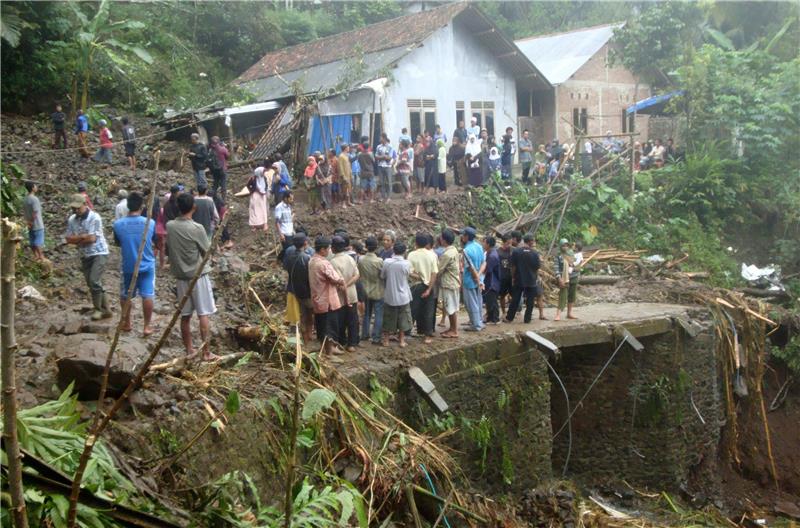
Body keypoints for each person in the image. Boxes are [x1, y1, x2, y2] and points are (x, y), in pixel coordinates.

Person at [166, 193, 218, 361]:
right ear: (193, 207)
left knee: (185, 315)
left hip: (181, 277)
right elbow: (207, 250)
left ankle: (189, 350)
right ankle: (206, 352)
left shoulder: (170, 226)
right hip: (198, 276)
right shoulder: (197, 228)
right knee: (203, 314)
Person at [112, 191, 156, 336]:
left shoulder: (118, 225)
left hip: (129, 265)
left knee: (125, 296)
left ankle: (127, 323)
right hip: (148, 264)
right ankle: (147, 326)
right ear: (142, 206)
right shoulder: (150, 223)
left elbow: (118, 242)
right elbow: (153, 240)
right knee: (148, 295)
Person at [65, 193, 112, 320]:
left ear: (85, 205)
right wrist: (82, 237)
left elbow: (92, 238)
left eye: (78, 208)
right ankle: (106, 310)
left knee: (94, 280)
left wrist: (78, 239)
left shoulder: (94, 217)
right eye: (73, 208)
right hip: (84, 254)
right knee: (92, 283)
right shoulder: (72, 219)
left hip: (99, 252)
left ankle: (98, 309)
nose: (75, 211)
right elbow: (68, 239)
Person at [309, 236, 345, 355]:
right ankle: (329, 353)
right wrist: (341, 281)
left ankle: (326, 348)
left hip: (317, 298)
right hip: (327, 300)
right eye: (328, 248)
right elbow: (336, 278)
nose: (329, 250)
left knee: (321, 326)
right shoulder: (324, 263)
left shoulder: (312, 260)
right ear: (323, 250)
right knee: (329, 327)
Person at [330, 236, 360, 352]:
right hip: (352, 294)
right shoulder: (350, 258)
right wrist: (348, 285)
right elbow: (357, 275)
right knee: (352, 319)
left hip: (340, 296)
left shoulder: (332, 262)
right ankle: (352, 344)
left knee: (341, 320)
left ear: (333, 248)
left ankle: (342, 341)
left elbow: (337, 280)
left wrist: (344, 286)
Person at [408, 232, 438, 344]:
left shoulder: (411, 255)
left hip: (416, 285)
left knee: (413, 309)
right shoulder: (432, 255)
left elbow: (409, 272)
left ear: (415, 243)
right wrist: (429, 289)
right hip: (429, 285)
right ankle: (427, 336)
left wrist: (420, 277)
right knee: (429, 310)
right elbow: (434, 273)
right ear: (427, 243)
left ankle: (406, 332)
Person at [381, 242, 412, 348]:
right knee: (403, 318)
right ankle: (401, 340)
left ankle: (386, 340)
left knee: (388, 317)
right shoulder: (406, 263)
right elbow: (408, 275)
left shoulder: (386, 262)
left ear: (393, 250)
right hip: (403, 296)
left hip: (390, 294)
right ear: (404, 252)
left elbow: (383, 276)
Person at [504, 233, 541, 324]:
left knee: (515, 299)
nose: (534, 242)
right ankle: (527, 319)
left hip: (519, 279)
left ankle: (509, 318)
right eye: (533, 240)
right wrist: (535, 278)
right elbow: (537, 268)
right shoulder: (535, 253)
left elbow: (513, 267)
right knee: (530, 300)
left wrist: (513, 277)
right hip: (531, 280)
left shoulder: (516, 252)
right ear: (530, 241)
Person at [285, 233, 314, 342]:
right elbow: (309, 276)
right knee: (308, 314)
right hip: (305, 292)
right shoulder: (306, 258)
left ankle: (302, 338)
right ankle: (308, 336)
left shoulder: (289, 256)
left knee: (298, 315)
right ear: (305, 243)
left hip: (292, 289)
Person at [358, 236, 385, 345]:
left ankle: (364, 334)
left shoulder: (361, 259)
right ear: (376, 247)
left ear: (365, 246)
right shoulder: (379, 261)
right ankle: (376, 337)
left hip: (365, 290)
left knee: (366, 313)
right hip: (377, 290)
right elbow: (382, 275)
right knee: (378, 314)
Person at [461, 227, 485, 332]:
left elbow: (470, 267)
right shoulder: (479, 246)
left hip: (470, 280)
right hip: (479, 278)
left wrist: (476, 278)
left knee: (471, 303)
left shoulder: (466, 250)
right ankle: (479, 322)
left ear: (466, 236)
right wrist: (479, 278)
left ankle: (476, 325)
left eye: (463, 235)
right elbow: (484, 262)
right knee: (478, 301)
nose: (461, 237)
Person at [437, 229, 460, 338]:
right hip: (453, 281)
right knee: (450, 306)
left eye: (441, 237)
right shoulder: (454, 250)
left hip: (448, 283)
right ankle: (451, 328)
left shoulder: (447, 254)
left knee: (450, 307)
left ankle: (454, 330)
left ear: (444, 240)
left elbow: (439, 269)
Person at [554, 238, 577, 321]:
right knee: (562, 295)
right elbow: (556, 267)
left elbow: (575, 264)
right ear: (560, 246)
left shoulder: (571, 253)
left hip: (573, 276)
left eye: (566, 245)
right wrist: (559, 278)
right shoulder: (558, 255)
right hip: (564, 278)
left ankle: (569, 313)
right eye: (563, 245)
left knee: (572, 295)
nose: (565, 247)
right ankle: (558, 315)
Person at [23, 181, 45, 261]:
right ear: (32, 188)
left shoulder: (25, 199)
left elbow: (24, 212)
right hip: (37, 223)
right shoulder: (34, 199)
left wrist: (28, 222)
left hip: (29, 224)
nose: (36, 187)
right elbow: (35, 212)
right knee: (38, 240)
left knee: (32, 241)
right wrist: (32, 221)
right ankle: (41, 256)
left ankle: (36, 256)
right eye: (35, 186)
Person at [482, 236, 501, 324]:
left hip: (492, 281)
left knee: (492, 301)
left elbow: (488, 269)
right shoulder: (490, 253)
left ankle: (494, 318)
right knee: (491, 301)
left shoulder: (492, 256)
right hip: (492, 280)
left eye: (484, 243)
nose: (483, 244)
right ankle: (491, 318)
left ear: (488, 244)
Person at [248, 162, 270, 233]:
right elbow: (248, 185)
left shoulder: (264, 178)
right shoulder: (253, 178)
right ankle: (254, 225)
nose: (264, 173)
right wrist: (253, 190)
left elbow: (266, 186)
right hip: (255, 195)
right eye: (263, 172)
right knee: (254, 209)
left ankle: (265, 224)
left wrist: (263, 191)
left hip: (262, 196)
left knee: (263, 209)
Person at [375, 134, 394, 201]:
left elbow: (389, 158)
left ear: (384, 138)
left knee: (389, 182)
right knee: (381, 182)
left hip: (388, 166)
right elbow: (376, 157)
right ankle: (383, 196)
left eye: (381, 138)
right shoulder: (378, 147)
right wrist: (384, 156)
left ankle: (389, 197)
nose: (379, 139)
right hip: (380, 166)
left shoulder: (390, 147)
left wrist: (382, 157)